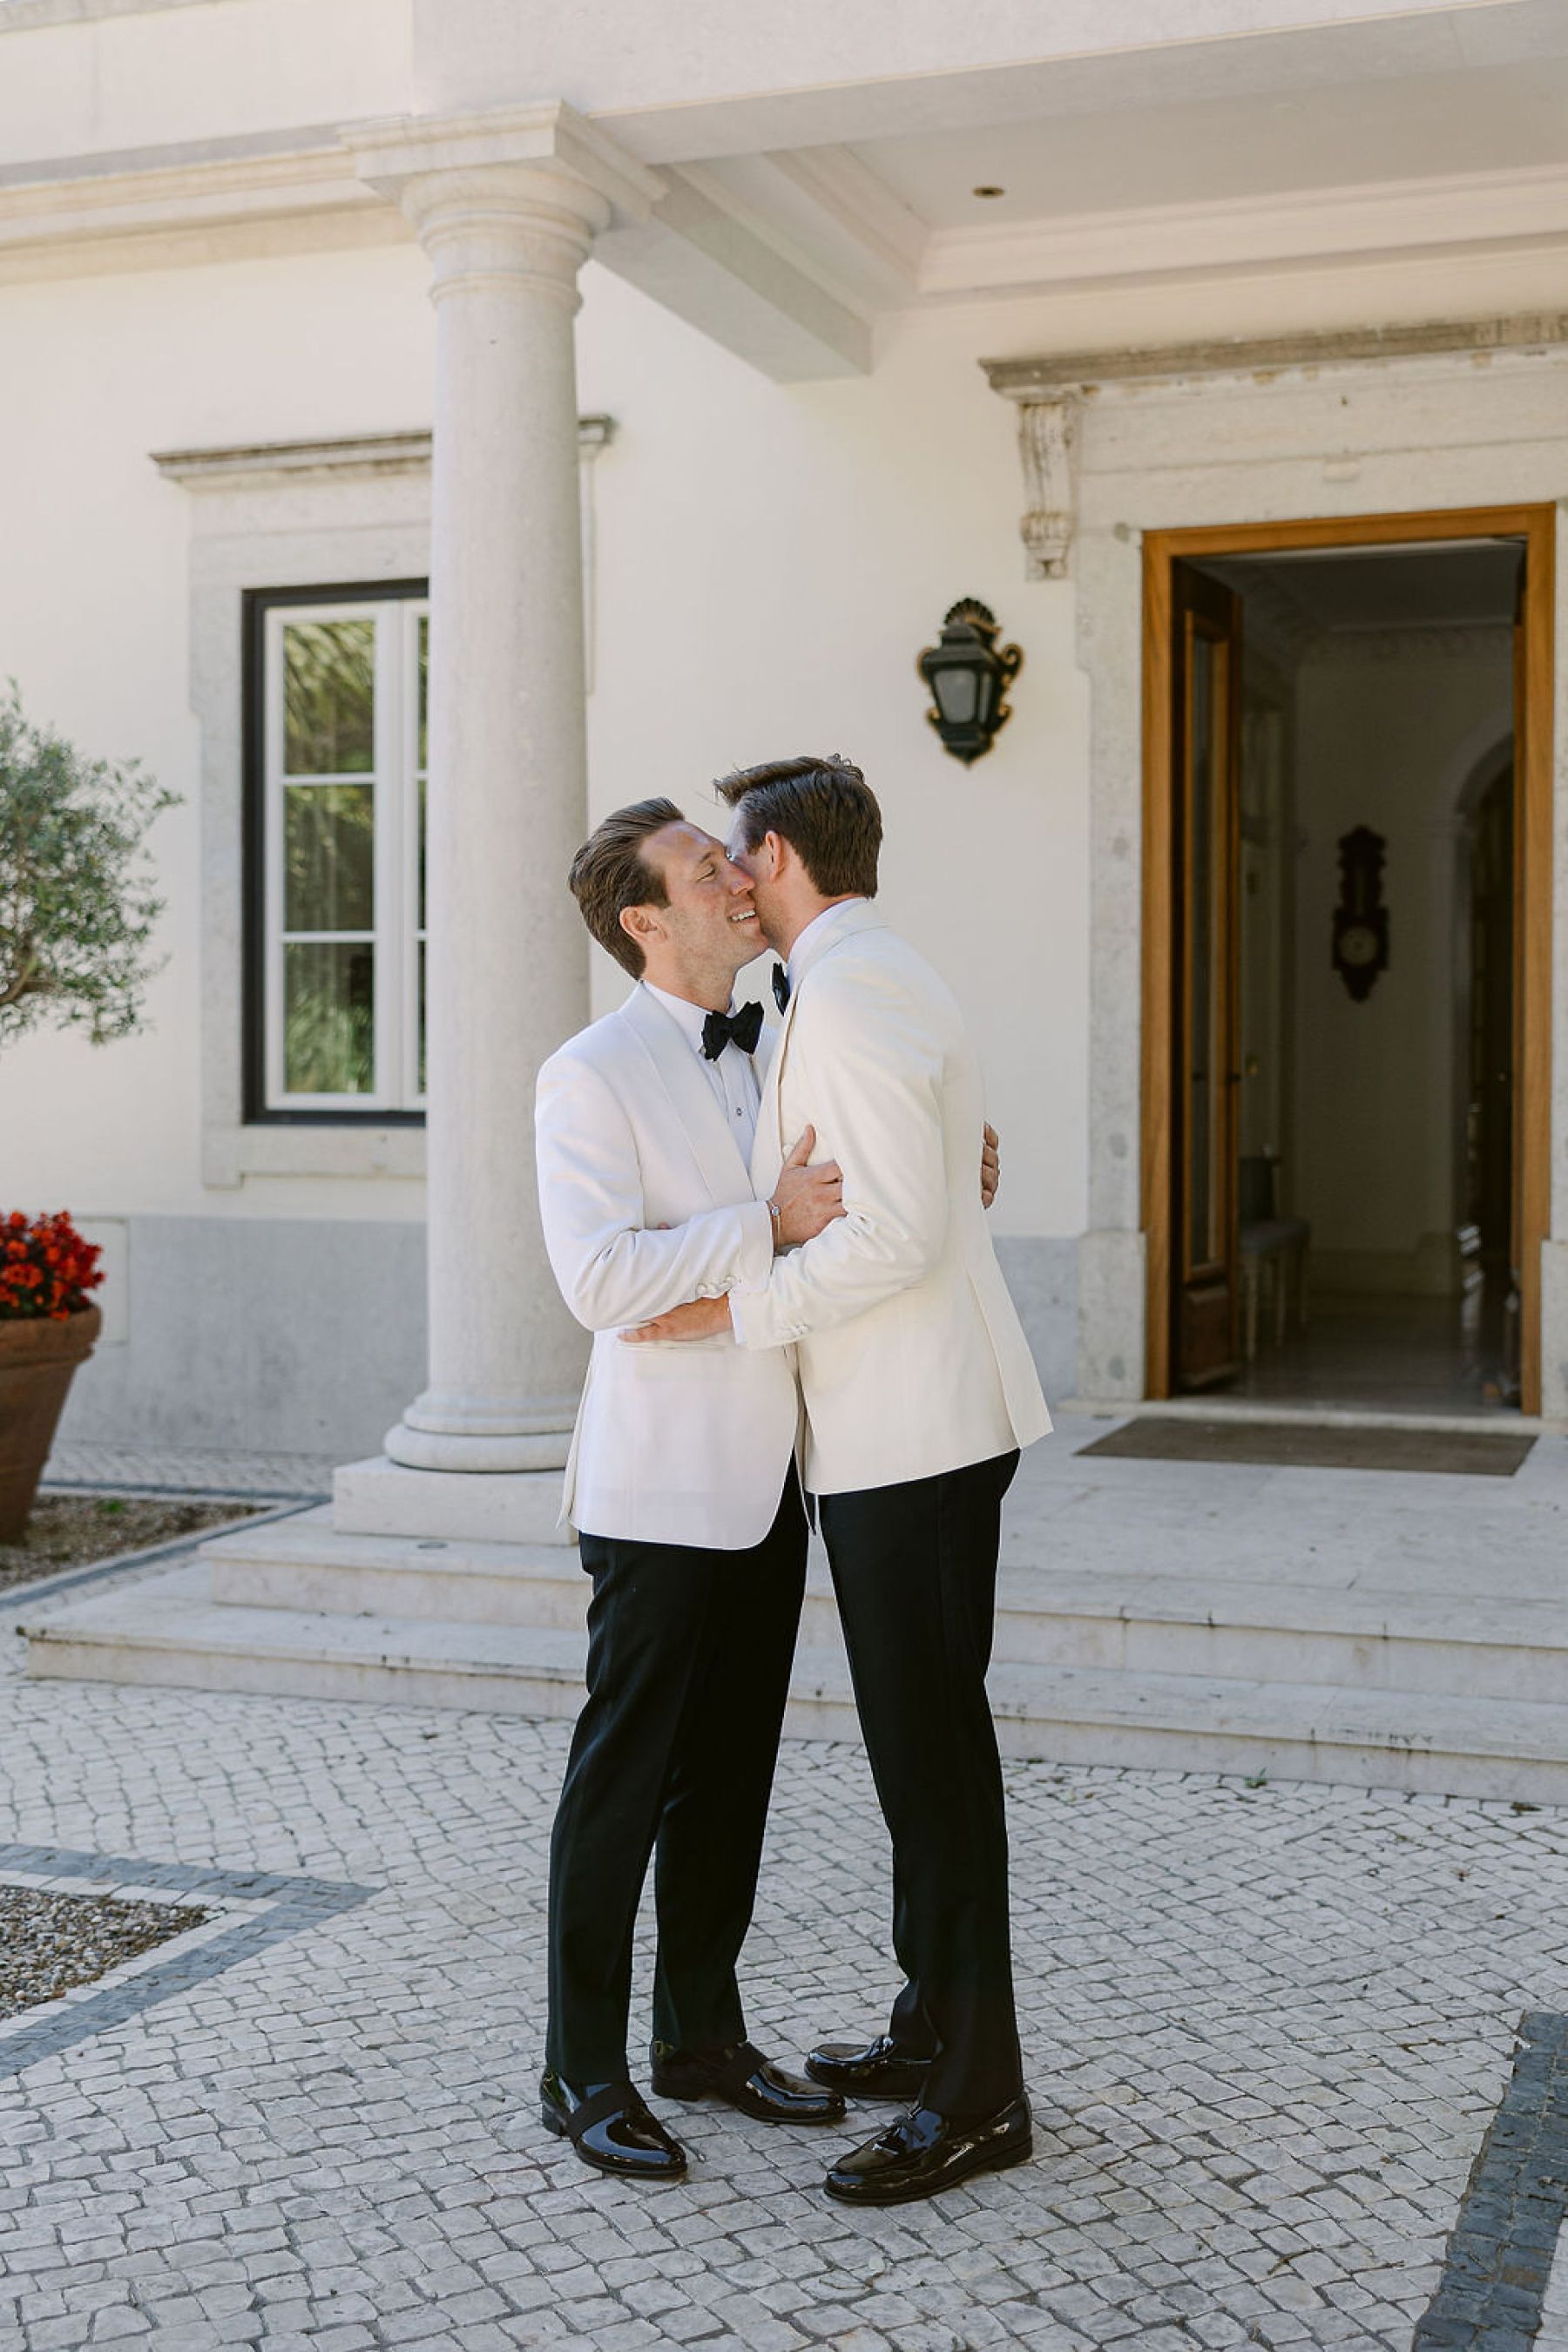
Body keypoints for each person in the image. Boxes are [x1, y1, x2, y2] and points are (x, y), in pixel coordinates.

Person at [625, 754, 1052, 2207]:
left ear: (786, 855)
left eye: (740, 859)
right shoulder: (864, 972)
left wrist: (734, 1310)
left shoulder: (856, 991)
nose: (730, 883)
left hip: (912, 1437)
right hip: (907, 1431)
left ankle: (981, 2095)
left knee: (932, 1767)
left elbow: (892, 1239)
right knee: (920, 1753)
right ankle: (932, 2027)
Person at [532, 797, 850, 2183]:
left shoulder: (788, 1031)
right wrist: (757, 1237)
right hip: (656, 1492)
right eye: (704, 869)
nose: (735, 878)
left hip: (774, 1478)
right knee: (627, 1780)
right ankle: (580, 2066)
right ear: (644, 921)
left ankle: (701, 2040)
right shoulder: (588, 1073)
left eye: (731, 862)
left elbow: (823, 1217)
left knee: (731, 1780)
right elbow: (602, 1286)